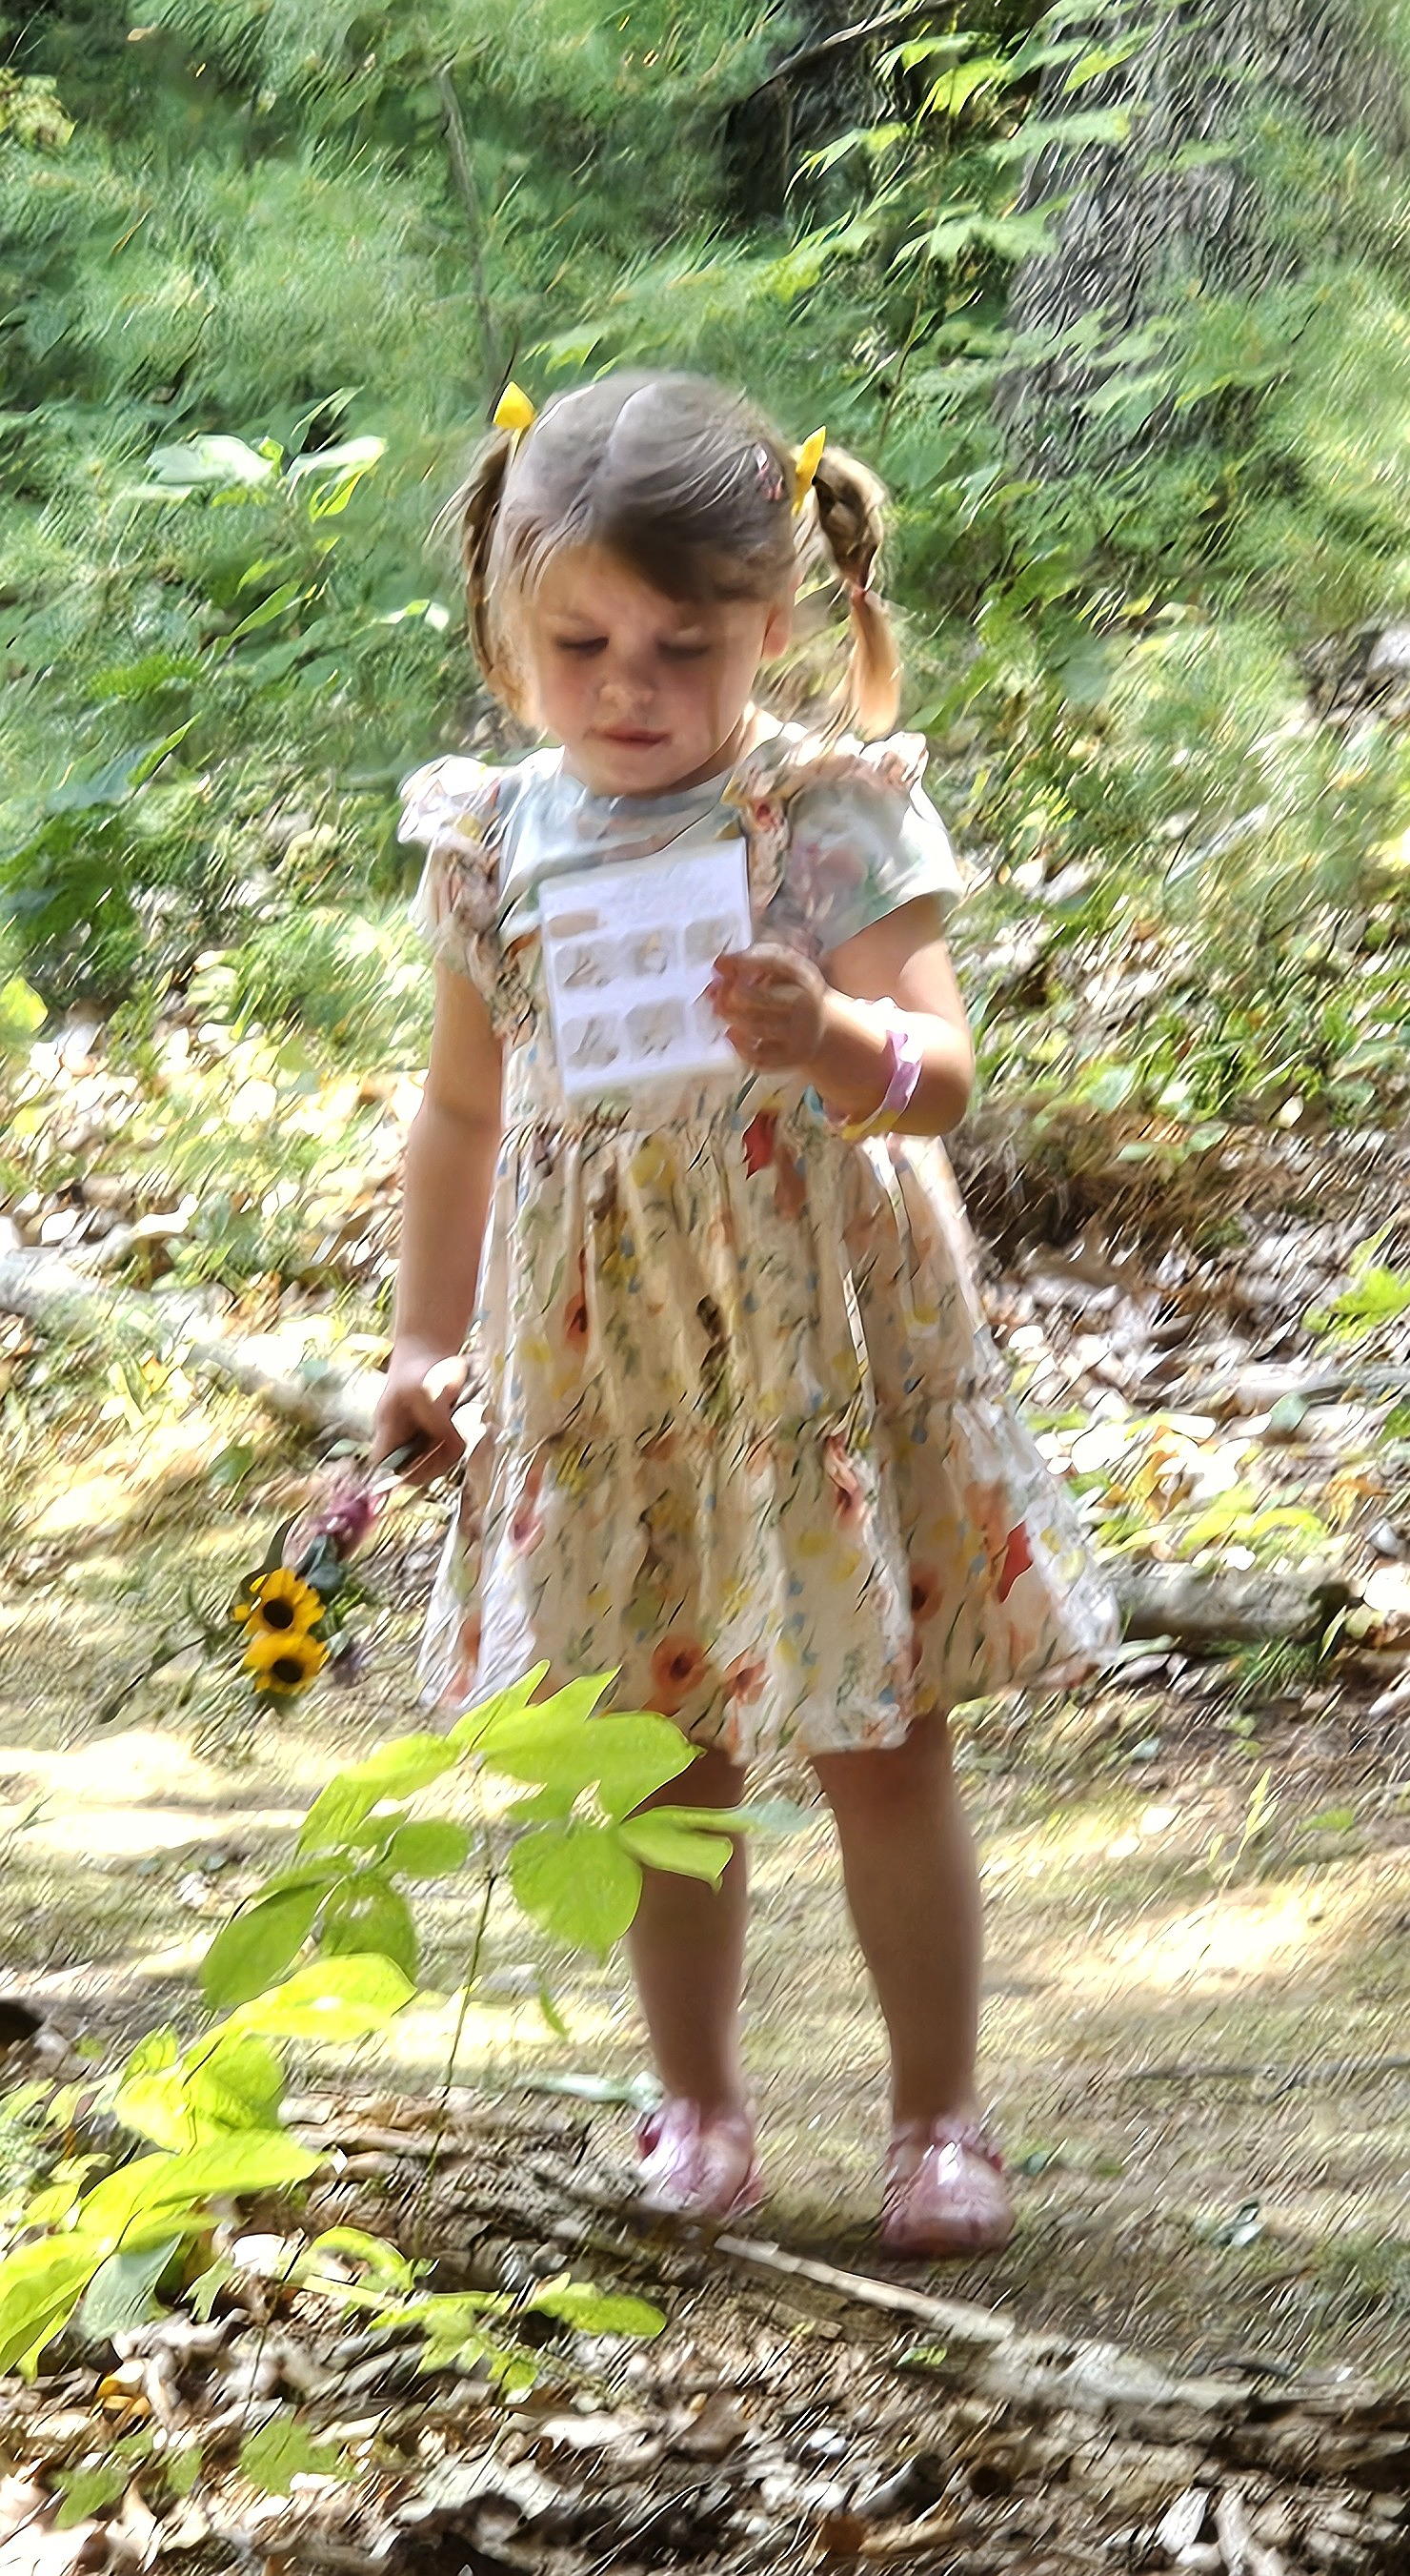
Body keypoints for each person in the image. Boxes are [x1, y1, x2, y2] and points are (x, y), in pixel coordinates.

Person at [373, 371, 1118, 2256]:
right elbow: (460, 1110)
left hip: (818, 1353)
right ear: (506, 628)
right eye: (581, 645)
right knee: (660, 1740)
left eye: (681, 648)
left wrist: (834, 1034)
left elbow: (943, 1075)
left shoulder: (824, 815)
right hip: (605, 1363)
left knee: (882, 1738)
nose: (629, 687)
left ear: (769, 624)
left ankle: (936, 2114)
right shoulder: (494, 841)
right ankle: (695, 2098)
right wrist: (420, 1341)